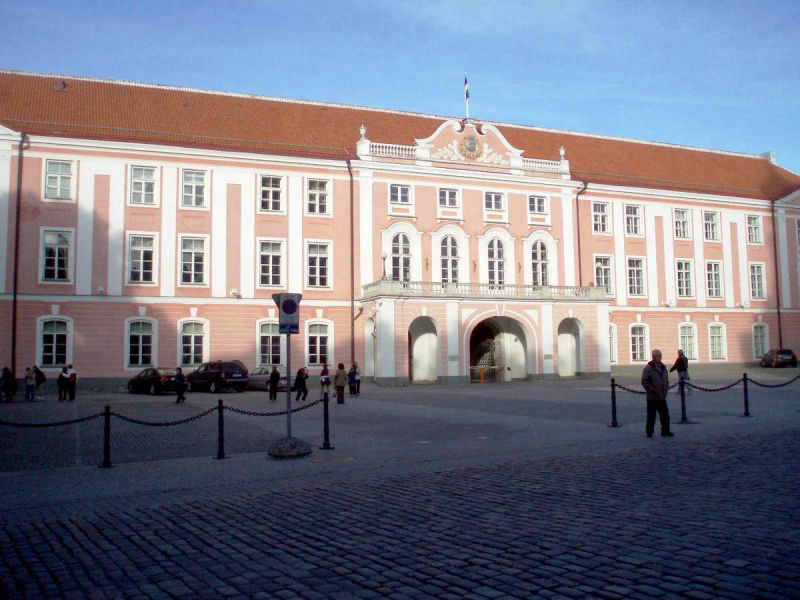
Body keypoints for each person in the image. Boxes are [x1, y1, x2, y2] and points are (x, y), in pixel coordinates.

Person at [641, 349, 674, 438]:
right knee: (651, 416)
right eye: (658, 356)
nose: (660, 358)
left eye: (660, 356)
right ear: (653, 357)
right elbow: (644, 381)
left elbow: (666, 380)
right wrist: (652, 390)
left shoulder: (663, 368)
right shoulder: (648, 368)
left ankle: (665, 431)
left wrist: (666, 388)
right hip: (652, 397)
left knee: (665, 415)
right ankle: (649, 432)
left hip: (662, 396)